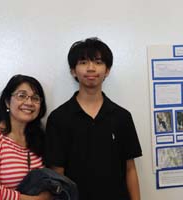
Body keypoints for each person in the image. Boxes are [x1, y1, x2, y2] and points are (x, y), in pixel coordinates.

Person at [45, 37, 142, 200]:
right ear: (73, 70)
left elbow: (130, 169)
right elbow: (57, 175)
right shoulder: (58, 118)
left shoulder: (122, 116)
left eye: (98, 62)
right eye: (83, 62)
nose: (91, 68)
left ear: (107, 70)